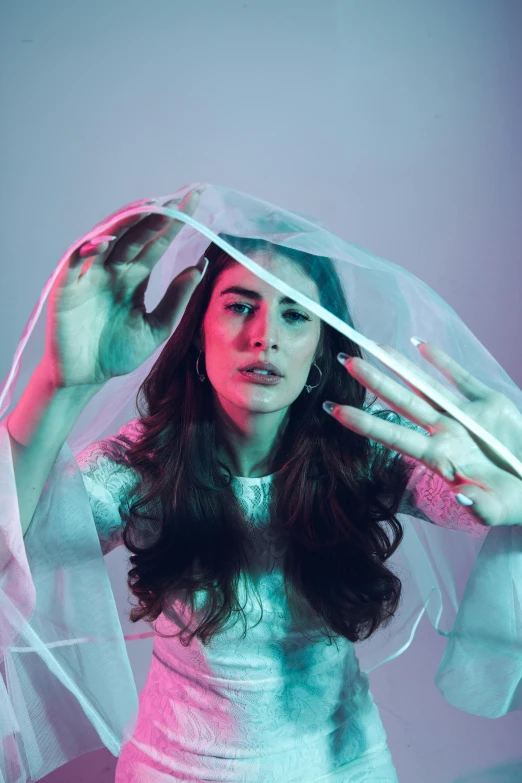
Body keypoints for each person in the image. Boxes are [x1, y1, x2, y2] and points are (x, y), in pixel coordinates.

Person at [2, 185, 522, 782]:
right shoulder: (143, 465)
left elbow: (467, 497)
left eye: (296, 313)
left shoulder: (367, 451)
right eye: (241, 305)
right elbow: (10, 544)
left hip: (344, 768)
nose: (265, 336)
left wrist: (511, 485)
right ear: (198, 330)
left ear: (319, 348)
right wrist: (57, 383)